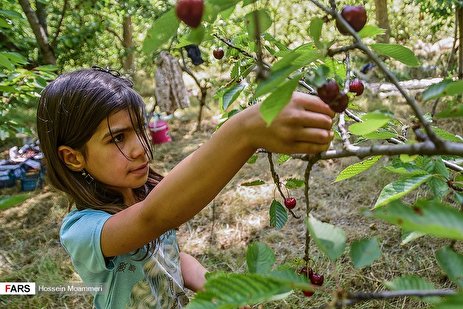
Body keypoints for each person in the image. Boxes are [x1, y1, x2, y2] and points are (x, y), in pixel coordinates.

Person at [36, 68, 334, 308]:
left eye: (140, 129)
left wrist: (215, 288)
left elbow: (172, 255)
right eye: (117, 138)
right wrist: (243, 132)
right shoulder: (83, 231)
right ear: (73, 158)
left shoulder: (147, 191)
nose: (140, 148)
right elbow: (151, 219)